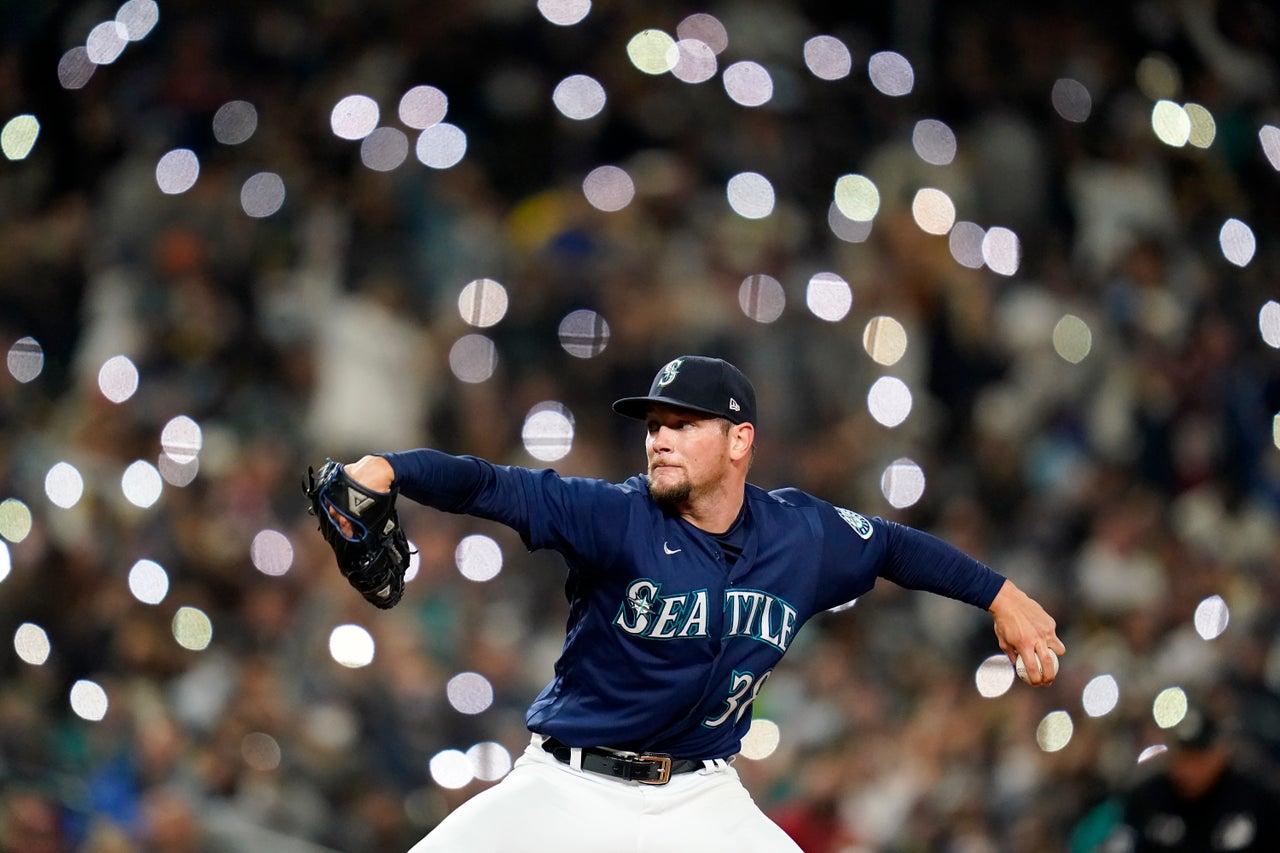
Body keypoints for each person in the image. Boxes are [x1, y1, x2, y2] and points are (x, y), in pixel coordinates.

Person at [330, 355, 1066, 852]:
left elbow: (897, 547)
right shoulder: (616, 516)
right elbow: (493, 485)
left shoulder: (801, 535)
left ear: (740, 438)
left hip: (699, 800)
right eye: (654, 425)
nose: (660, 439)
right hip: (568, 786)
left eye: (683, 423)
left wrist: (1000, 593)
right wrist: (391, 467)